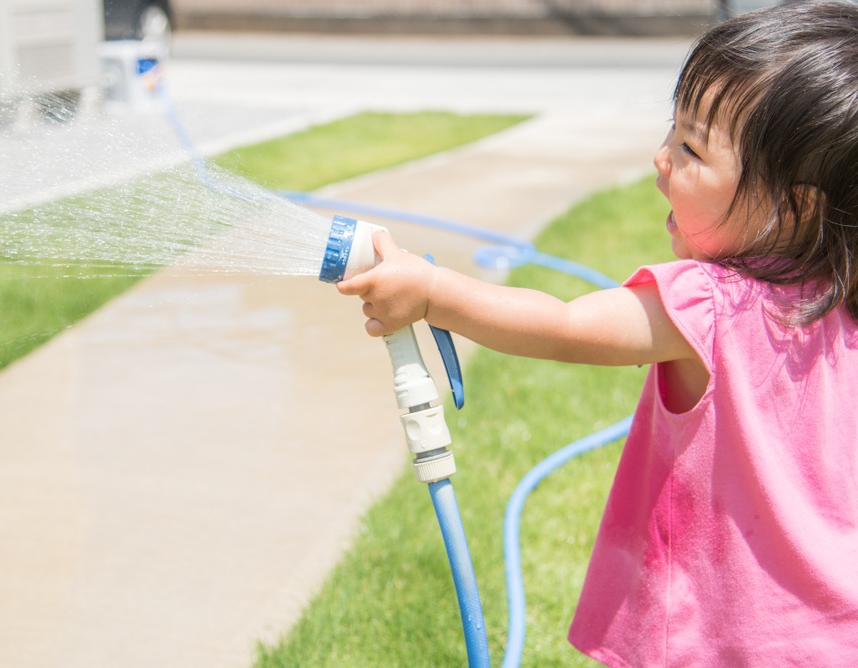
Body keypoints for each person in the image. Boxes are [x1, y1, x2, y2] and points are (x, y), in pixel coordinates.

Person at [336, 1, 858, 664]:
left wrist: (432, 292)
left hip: (727, 638)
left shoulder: (710, 305)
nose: (660, 156)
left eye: (691, 148)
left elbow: (563, 326)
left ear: (795, 206)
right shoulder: (841, 307)